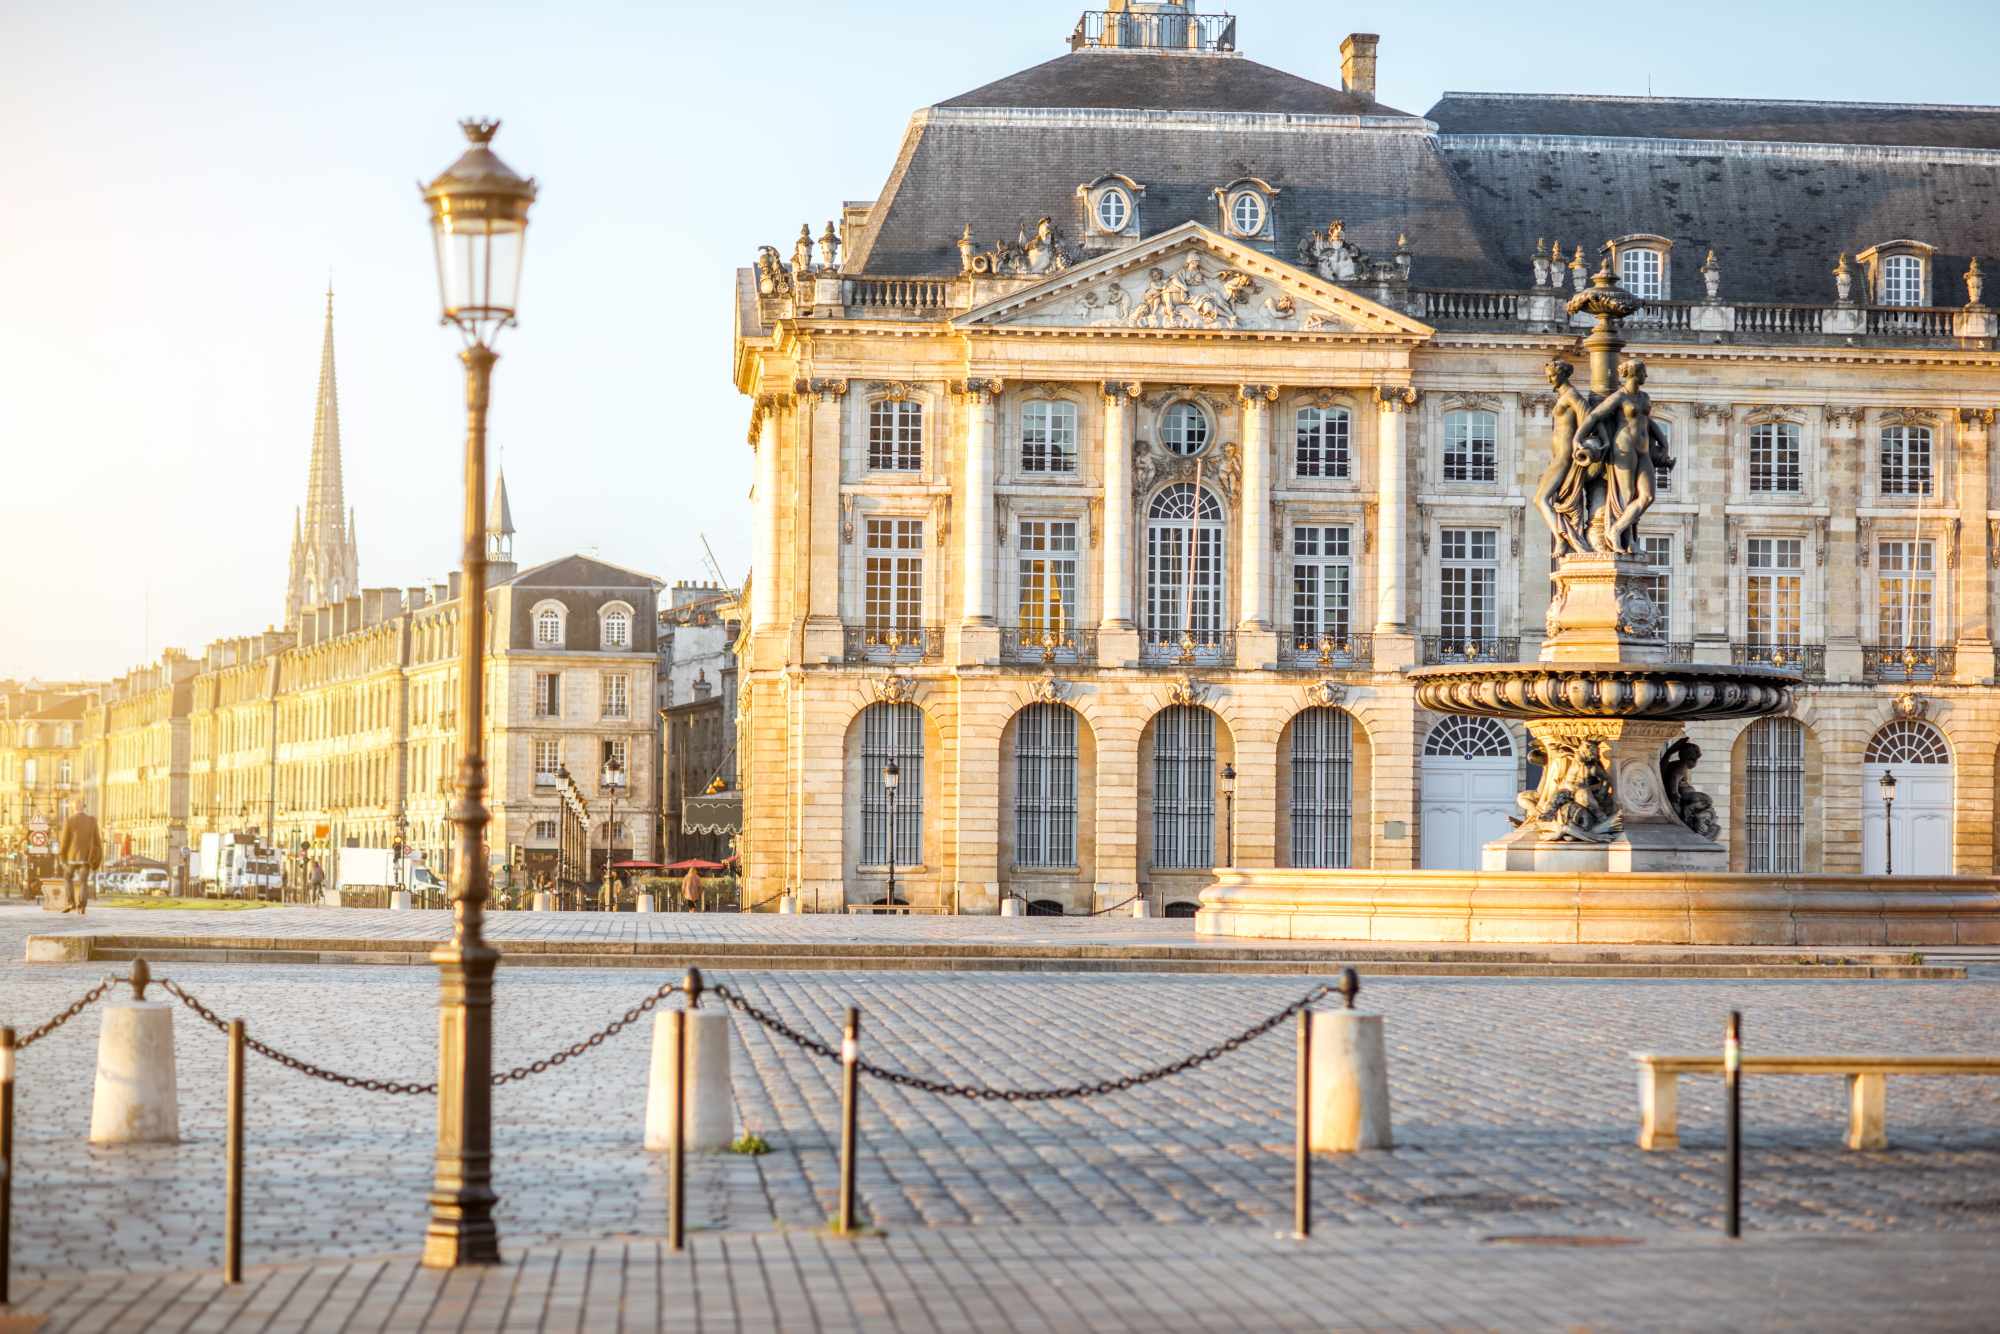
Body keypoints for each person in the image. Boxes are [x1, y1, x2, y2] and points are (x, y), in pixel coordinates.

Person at [58, 799, 103, 916]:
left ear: (73, 808)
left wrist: (62, 857)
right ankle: (82, 908)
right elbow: (98, 841)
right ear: (83, 807)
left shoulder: (69, 820)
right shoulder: (92, 821)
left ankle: (71, 902)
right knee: (83, 882)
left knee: (67, 877)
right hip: (87, 858)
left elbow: (65, 841)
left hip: (72, 857)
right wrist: (99, 858)